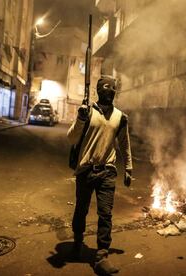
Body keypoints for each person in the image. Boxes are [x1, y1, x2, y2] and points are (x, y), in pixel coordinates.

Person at [67, 75, 133, 274]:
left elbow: (124, 143)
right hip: (86, 170)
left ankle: (102, 255)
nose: (108, 94)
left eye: (112, 91)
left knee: (106, 215)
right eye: (105, 90)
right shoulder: (87, 112)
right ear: (98, 91)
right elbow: (71, 138)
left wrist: (128, 168)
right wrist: (80, 119)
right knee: (81, 210)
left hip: (107, 171)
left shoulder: (120, 117)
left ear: (115, 93)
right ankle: (78, 242)